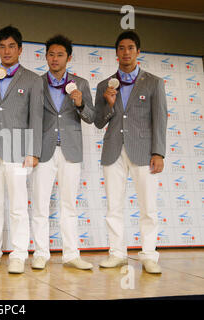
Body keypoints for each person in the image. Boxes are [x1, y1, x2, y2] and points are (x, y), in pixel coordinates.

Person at [94, 31, 167, 274]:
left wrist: (159, 152)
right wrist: (109, 105)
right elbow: (98, 121)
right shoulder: (105, 85)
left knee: (148, 206)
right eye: (122, 48)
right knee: (113, 206)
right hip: (113, 149)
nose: (126, 52)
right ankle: (117, 253)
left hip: (144, 151)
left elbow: (160, 119)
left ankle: (148, 255)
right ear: (116, 52)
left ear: (138, 52)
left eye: (131, 48)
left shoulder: (153, 82)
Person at [0, 26, 43, 274]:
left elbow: (36, 117)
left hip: (19, 150)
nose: (6, 51)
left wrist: (33, 151)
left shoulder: (33, 80)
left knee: (17, 205)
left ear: (20, 49)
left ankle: (19, 253)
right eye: (2, 46)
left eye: (11, 46)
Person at [31, 35, 95, 270]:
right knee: (40, 204)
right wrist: (31, 150)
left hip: (70, 150)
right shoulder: (36, 83)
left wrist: (80, 103)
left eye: (60, 55)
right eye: (51, 54)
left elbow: (91, 117)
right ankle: (40, 253)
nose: (54, 58)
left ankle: (71, 254)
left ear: (69, 57)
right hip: (43, 151)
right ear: (45, 56)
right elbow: (31, 119)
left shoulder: (81, 83)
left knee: (69, 204)